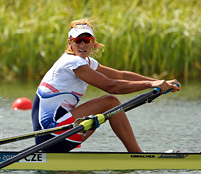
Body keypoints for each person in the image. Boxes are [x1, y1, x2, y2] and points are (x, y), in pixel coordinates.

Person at [31, 19, 181, 152]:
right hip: (51, 134)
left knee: (108, 107)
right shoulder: (72, 63)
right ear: (70, 43)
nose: (82, 44)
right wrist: (151, 83)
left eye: (86, 40)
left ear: (93, 42)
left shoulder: (86, 62)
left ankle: (136, 155)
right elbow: (112, 86)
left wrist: (161, 83)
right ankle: (137, 155)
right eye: (78, 41)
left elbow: (121, 75)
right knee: (110, 102)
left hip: (55, 134)